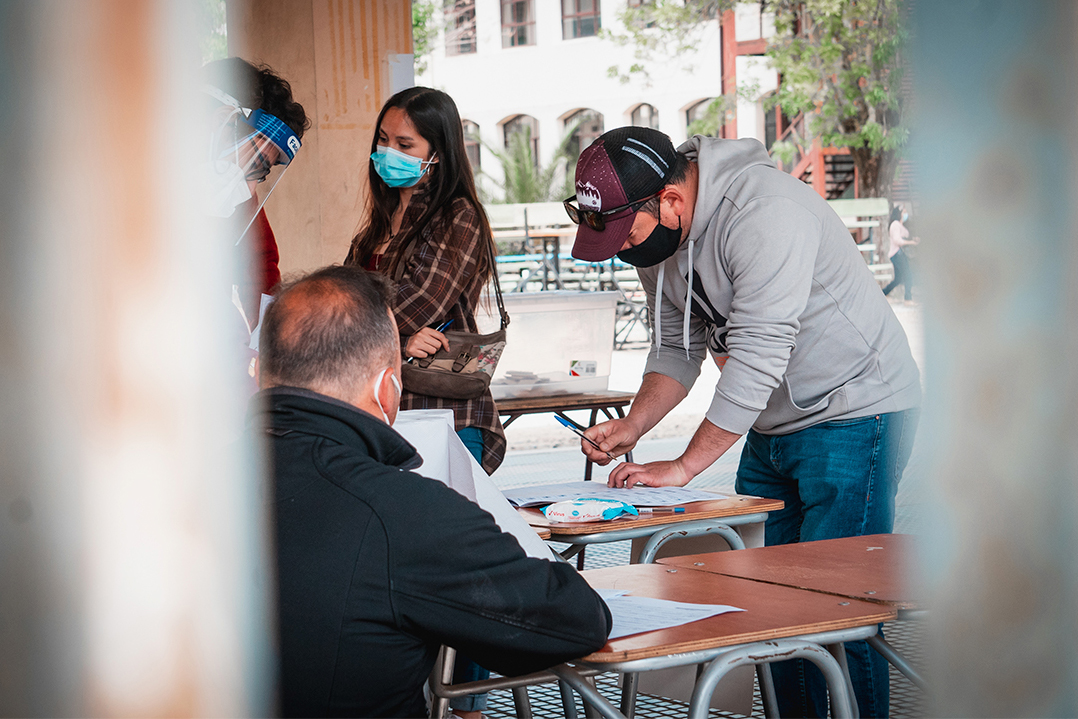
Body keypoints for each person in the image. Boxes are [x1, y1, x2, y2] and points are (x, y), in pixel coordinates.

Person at [567, 127, 921, 718]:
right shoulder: (658, 241)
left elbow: (757, 356)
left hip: (857, 411)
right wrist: (633, 427)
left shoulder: (765, 212)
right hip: (772, 424)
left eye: (626, 238)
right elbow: (675, 349)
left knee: (840, 608)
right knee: (771, 605)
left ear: (672, 201)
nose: (625, 254)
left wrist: (684, 466)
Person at [251, 265, 611, 718]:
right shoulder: (404, 512)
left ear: (260, 371)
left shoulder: (165, 493)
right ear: (389, 388)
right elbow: (575, 620)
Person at [342, 87, 505, 719]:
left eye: (404, 145)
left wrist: (376, 319)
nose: (388, 154)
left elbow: (411, 305)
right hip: (385, 414)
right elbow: (360, 304)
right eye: (383, 141)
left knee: (459, 562)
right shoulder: (382, 219)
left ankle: (469, 703)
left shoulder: (459, 217)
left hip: (451, 419)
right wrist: (391, 330)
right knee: (399, 561)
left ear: (438, 153)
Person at [202, 56, 310, 323]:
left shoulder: (232, 194)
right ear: (222, 123)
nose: (250, 189)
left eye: (261, 175)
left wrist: (262, 336)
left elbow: (260, 264)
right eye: (255, 164)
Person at [881, 205, 919, 302]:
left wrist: (913, 239)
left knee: (898, 279)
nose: (906, 214)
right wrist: (912, 242)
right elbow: (898, 241)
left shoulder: (901, 225)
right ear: (899, 213)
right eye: (904, 212)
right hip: (897, 254)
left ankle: (882, 293)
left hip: (899, 254)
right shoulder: (895, 224)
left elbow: (905, 237)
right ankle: (908, 299)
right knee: (908, 275)